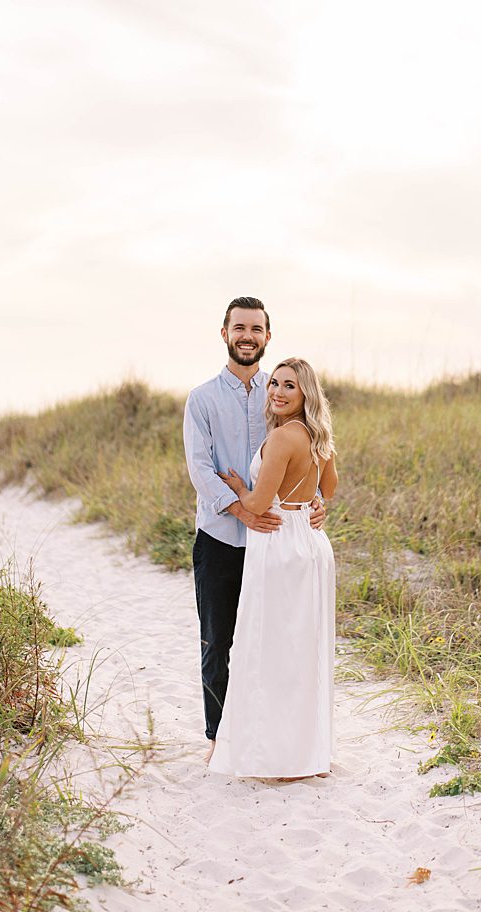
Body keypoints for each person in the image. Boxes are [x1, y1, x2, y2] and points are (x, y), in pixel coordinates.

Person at [182, 297, 326, 761]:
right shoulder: (201, 399)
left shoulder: (282, 391)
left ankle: (266, 739)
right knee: (217, 640)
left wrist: (314, 504)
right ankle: (217, 739)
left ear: (268, 336)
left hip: (276, 543)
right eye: (239, 327)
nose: (247, 336)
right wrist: (242, 511)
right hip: (221, 538)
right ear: (224, 333)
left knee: (270, 640)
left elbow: (308, 457)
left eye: (256, 329)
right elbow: (201, 470)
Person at [209, 356, 339, 779]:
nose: (278, 392)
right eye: (275, 384)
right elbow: (330, 488)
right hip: (311, 541)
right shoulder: (319, 435)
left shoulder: (283, 438)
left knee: (274, 649)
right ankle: (306, 753)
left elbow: (258, 505)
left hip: (281, 542)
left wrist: (236, 487)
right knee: (303, 649)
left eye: (289, 387)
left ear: (305, 394)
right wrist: (313, 503)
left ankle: (280, 757)